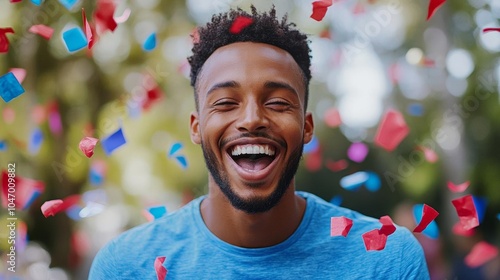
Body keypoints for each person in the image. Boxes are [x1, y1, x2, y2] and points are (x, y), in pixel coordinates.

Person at [89, 6, 430, 279]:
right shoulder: (125, 267)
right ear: (196, 127)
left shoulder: (388, 261)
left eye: (278, 103)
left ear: (306, 126)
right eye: (225, 103)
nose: (252, 119)